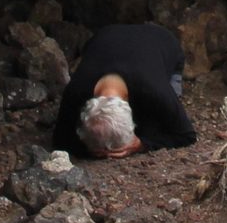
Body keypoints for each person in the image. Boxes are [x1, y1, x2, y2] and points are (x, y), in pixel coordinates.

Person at [52, 23, 197, 159]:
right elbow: (60, 140)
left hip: (161, 39)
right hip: (107, 35)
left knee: (153, 126)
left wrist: (142, 144)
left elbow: (186, 135)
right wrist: (88, 149)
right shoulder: (76, 91)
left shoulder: (155, 91)